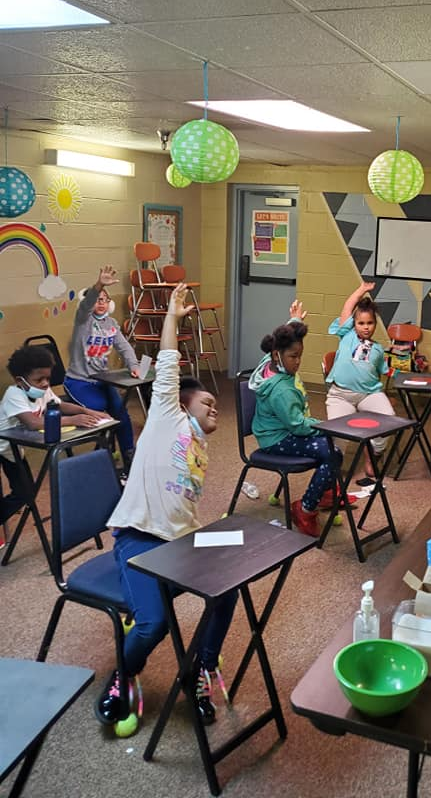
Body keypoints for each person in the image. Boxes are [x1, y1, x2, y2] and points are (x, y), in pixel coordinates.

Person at [96, 283, 235, 732]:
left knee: (227, 587)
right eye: (208, 403)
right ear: (180, 404)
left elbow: (182, 507)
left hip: (178, 542)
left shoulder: (201, 447)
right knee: (152, 625)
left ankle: (200, 671)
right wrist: (173, 318)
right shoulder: (167, 416)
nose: (215, 409)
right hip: (138, 538)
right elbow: (171, 366)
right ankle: (123, 675)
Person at [249, 301, 341, 538]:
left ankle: (325, 490)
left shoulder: (269, 361)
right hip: (277, 438)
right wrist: (323, 427)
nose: (298, 362)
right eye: (293, 357)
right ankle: (305, 508)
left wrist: (295, 322)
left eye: (300, 355)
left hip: (283, 429)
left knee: (331, 448)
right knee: (332, 452)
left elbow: (281, 340)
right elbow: (298, 426)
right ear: (278, 355)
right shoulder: (282, 390)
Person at [0, 345, 106, 525]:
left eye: (47, 378)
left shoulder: (42, 390)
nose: (45, 383)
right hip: (3, 448)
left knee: (26, 493)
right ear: (20, 380)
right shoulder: (14, 394)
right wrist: (73, 420)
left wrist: (86, 411)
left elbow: (60, 406)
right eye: (39, 379)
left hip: (14, 450)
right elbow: (32, 423)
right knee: (22, 494)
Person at [64, 265, 141, 470]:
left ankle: (127, 454)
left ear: (110, 304)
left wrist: (133, 366)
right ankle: (101, 458)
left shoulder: (112, 323)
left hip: (103, 381)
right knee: (100, 413)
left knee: (121, 415)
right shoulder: (84, 321)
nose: (101, 303)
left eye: (105, 299)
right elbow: (87, 303)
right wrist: (99, 286)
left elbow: (125, 348)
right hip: (79, 381)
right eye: (98, 299)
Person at [326, 281, 394, 485]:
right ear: (354, 324)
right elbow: (348, 307)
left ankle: (371, 457)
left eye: (370, 323)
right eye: (361, 323)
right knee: (338, 435)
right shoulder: (346, 335)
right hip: (341, 394)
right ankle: (332, 471)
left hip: (368, 394)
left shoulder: (378, 348)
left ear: (375, 324)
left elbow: (384, 372)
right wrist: (361, 290)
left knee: (388, 420)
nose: (365, 327)